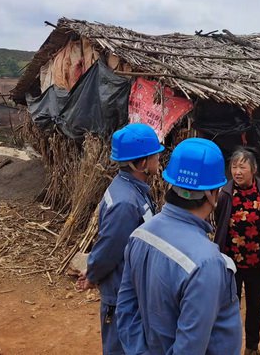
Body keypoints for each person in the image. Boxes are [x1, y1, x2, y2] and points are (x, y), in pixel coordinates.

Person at [116, 138, 242, 355]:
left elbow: (126, 310)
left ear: (171, 184)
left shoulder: (140, 235)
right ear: (213, 195)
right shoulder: (207, 262)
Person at [77, 123, 164, 355]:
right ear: (142, 163)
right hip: (120, 296)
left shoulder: (133, 190)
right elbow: (109, 248)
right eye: (155, 155)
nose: (159, 159)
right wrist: (93, 274)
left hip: (132, 290)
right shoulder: (126, 202)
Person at [213, 147, 260, 355]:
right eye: (234, 167)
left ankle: (252, 347)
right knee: (228, 306)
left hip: (258, 262)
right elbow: (217, 221)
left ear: (253, 169)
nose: (237, 171)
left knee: (255, 307)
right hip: (230, 263)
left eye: (242, 167)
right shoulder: (225, 193)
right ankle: (228, 347)